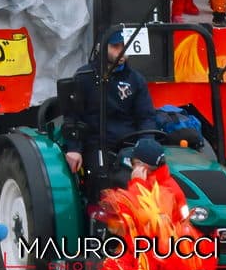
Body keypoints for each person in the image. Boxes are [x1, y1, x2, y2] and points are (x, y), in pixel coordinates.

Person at [63, 33, 158, 175]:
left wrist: (145, 149)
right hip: (95, 144)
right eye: (115, 46)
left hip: (129, 144)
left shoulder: (136, 79)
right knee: (100, 180)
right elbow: (73, 116)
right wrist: (74, 149)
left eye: (125, 46)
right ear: (101, 48)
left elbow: (146, 117)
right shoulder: (84, 77)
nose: (121, 51)